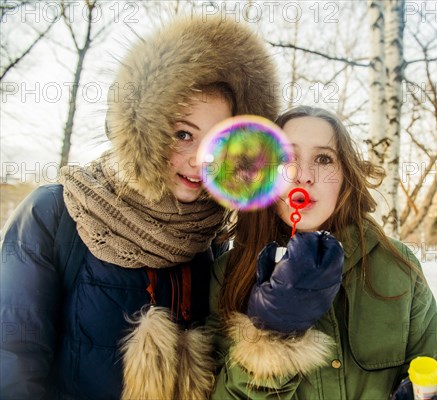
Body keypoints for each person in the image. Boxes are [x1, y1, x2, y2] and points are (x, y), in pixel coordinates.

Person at [0, 16, 279, 399]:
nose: (201, 160)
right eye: (183, 134)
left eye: (218, 141)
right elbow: (12, 359)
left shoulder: (212, 238)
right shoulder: (54, 213)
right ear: (145, 130)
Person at [208, 106, 437, 399]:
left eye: (323, 159)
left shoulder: (397, 265)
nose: (304, 176)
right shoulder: (228, 273)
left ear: (345, 175)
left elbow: (431, 366)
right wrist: (273, 336)